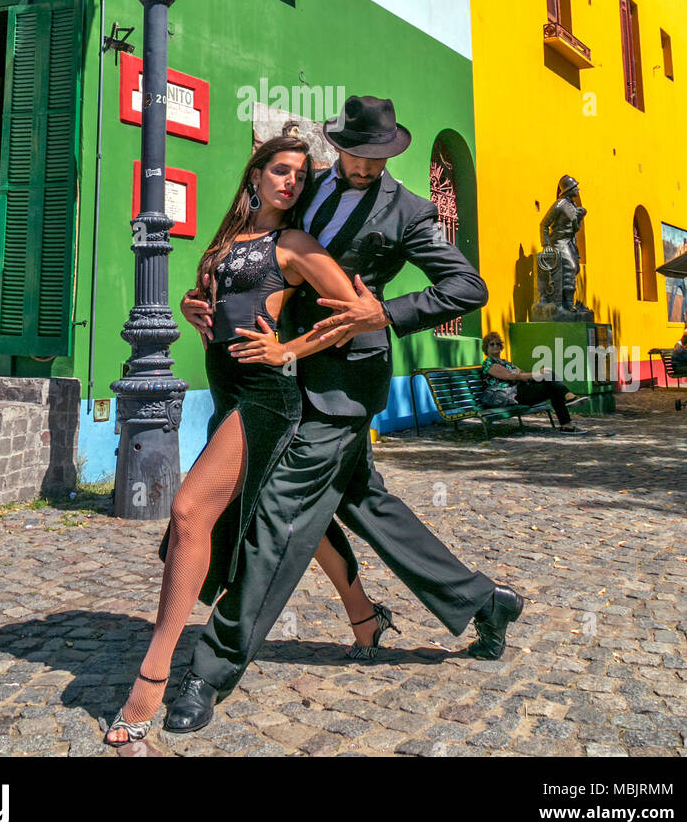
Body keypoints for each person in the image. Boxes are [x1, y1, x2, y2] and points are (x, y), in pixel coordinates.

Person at [166, 95, 525, 736]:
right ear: (341, 146)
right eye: (357, 155)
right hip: (278, 377)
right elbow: (262, 255)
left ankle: (211, 669)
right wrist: (207, 302)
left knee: (277, 516)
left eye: (378, 159)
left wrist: (383, 312)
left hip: (344, 385)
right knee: (365, 502)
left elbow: (468, 288)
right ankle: (483, 600)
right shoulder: (304, 190)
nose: (365, 168)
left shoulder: (410, 212)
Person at [104, 135, 390, 748]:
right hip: (227, 394)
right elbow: (218, 297)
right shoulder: (228, 240)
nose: (290, 182)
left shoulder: (295, 245)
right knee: (275, 517)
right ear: (255, 174)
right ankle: (365, 619)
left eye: (300, 176)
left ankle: (153, 674)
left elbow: (356, 311)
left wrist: (289, 348)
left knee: (188, 510)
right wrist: (190, 306)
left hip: (265, 398)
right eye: (280, 171)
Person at [480, 331, 587, 433]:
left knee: (550, 379)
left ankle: (567, 422)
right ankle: (568, 398)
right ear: (486, 347)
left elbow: (520, 373)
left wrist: (523, 372)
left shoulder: (505, 362)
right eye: (492, 344)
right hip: (508, 396)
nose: (495, 346)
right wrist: (537, 373)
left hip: (518, 391)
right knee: (549, 382)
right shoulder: (489, 363)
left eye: (498, 344)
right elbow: (511, 376)